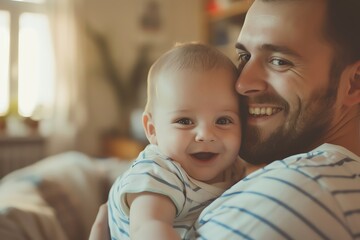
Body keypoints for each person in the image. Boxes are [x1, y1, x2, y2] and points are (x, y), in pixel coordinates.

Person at [90, 0, 360, 239]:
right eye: (244, 56)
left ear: (354, 83)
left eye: (279, 61)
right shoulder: (160, 174)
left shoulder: (300, 192)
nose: (241, 83)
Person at [107, 42, 245, 240]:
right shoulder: (159, 171)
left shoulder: (234, 167)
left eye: (223, 120)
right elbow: (148, 229)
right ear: (152, 129)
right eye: (185, 121)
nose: (205, 134)